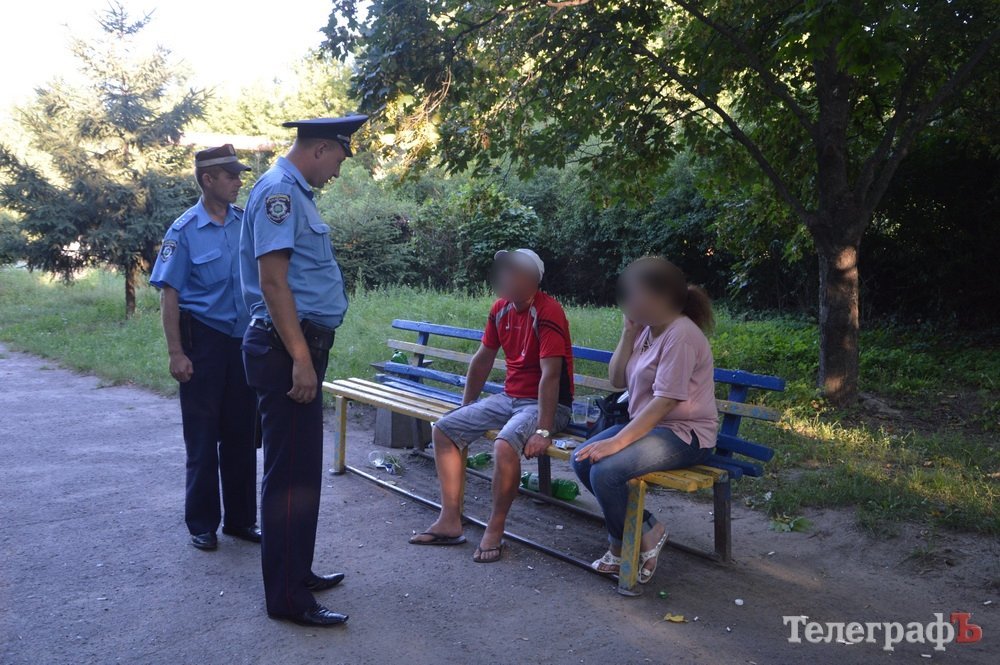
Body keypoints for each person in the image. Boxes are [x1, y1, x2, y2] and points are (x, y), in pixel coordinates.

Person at [239, 115, 367, 627]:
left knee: (301, 475)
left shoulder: (293, 193)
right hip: (286, 350)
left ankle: (297, 571)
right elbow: (273, 284)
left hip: (295, 347)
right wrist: (300, 358)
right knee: (290, 479)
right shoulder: (280, 193)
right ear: (318, 149)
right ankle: (289, 600)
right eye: (338, 158)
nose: (337, 171)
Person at [409, 249, 574, 563]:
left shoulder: (548, 311)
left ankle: (495, 529)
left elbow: (551, 375)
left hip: (546, 405)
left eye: (515, 271)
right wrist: (467, 407)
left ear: (533, 280)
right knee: (445, 428)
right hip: (508, 399)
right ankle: (450, 520)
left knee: (503, 445)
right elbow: (483, 358)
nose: (506, 277)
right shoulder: (500, 309)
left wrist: (543, 429)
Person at [571, 257, 717, 585]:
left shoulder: (681, 335)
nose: (629, 302)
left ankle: (621, 545)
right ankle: (648, 529)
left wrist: (616, 441)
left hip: (685, 434)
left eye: (635, 294)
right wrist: (627, 333)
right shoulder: (647, 330)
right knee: (580, 459)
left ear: (661, 298)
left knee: (606, 471)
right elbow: (616, 380)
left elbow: (666, 401)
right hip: (650, 426)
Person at [149, 145, 259, 552]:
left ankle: (242, 520)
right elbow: (169, 297)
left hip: (242, 342)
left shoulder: (244, 222)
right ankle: (202, 523)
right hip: (203, 343)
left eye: (238, 175)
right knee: (202, 438)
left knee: (241, 434)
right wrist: (176, 353)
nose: (238, 181)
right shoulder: (183, 231)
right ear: (207, 180)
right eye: (230, 175)